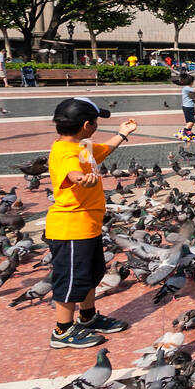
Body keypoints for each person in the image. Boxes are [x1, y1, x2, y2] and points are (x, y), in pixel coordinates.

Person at [45, 97, 137, 348]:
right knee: (70, 281)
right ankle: (62, 331)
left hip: (87, 226)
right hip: (70, 229)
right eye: (96, 122)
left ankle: (87, 317)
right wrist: (80, 179)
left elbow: (104, 150)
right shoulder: (65, 152)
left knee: (89, 276)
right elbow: (71, 170)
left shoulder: (82, 145)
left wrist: (122, 133)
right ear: (88, 125)